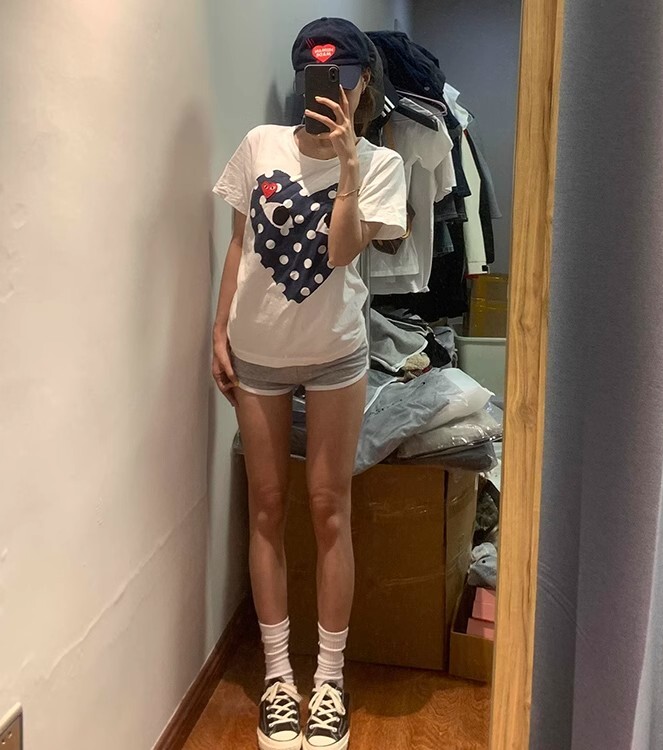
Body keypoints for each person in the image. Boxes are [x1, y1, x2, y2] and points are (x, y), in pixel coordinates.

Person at [211, 17, 407, 750]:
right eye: (317, 78)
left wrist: (349, 162)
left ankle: (327, 682)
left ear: (363, 82)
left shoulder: (381, 164)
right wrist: (217, 330)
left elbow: (343, 249)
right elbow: (240, 243)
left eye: (343, 79)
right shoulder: (260, 145)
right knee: (266, 508)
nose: (330, 91)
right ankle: (276, 679)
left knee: (330, 510)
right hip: (258, 352)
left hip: (335, 355)